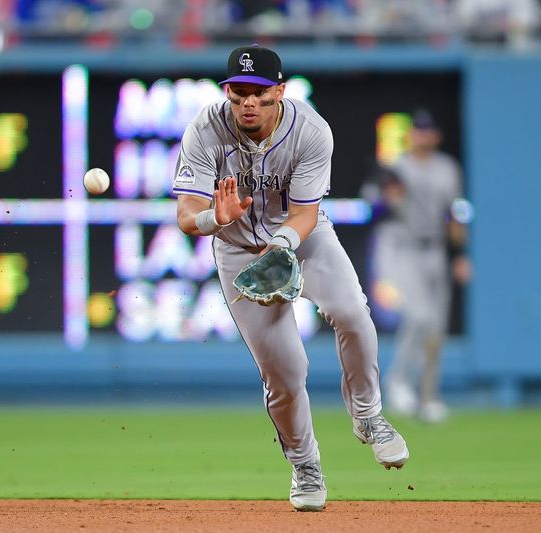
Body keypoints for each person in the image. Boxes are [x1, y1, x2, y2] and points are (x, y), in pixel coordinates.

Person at [172, 45, 409, 512]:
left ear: (280, 91)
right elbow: (186, 214)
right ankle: (305, 465)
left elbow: (305, 213)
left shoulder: (311, 131)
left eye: (260, 92)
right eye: (239, 92)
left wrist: (280, 249)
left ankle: (368, 417)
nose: (248, 102)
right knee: (285, 373)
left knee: (352, 313)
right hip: (237, 249)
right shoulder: (205, 128)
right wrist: (210, 221)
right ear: (227, 93)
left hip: (303, 236)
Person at [360, 109, 471, 424]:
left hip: (435, 248)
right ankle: (396, 382)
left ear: (436, 135)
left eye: (428, 130)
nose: (423, 136)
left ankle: (429, 396)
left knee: (436, 328)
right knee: (419, 316)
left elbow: (456, 213)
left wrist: (460, 253)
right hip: (400, 247)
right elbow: (371, 207)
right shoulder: (396, 166)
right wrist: (388, 198)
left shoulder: (448, 169)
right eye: (418, 130)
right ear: (411, 135)